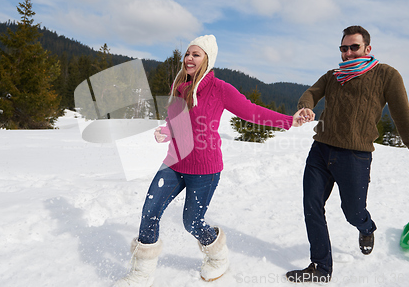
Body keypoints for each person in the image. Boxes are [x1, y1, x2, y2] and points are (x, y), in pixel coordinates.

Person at [113, 34, 309, 287]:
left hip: (205, 168)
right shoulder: (179, 87)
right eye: (187, 54)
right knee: (150, 211)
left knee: (192, 222)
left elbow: (251, 111)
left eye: (196, 54)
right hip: (174, 162)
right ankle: (142, 272)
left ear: (207, 59)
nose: (189, 58)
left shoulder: (220, 89)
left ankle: (217, 257)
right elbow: (181, 122)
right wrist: (168, 131)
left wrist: (288, 120)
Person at [285, 26, 409, 283]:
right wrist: (305, 106)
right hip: (321, 150)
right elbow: (311, 93)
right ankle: (321, 267)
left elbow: (402, 115)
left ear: (367, 49)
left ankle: (366, 227)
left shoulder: (386, 75)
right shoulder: (333, 75)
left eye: (354, 47)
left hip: (355, 157)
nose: (348, 53)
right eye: (344, 48)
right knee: (311, 205)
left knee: (353, 211)